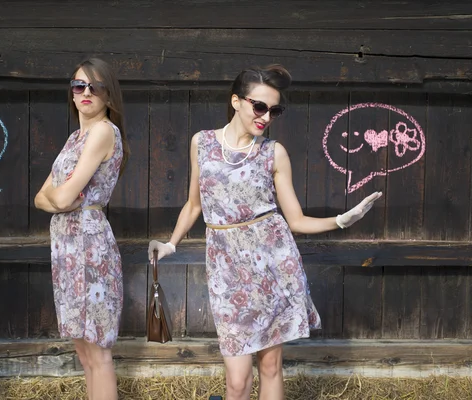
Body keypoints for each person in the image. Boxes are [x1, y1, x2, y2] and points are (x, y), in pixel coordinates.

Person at [148, 65, 382, 400]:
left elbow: (297, 220)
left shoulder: (274, 153)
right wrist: (171, 243)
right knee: (237, 381)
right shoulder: (202, 143)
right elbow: (194, 205)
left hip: (274, 268)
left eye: (274, 110)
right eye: (260, 106)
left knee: (271, 367)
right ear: (236, 101)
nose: (266, 116)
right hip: (227, 272)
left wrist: (342, 220)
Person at [34, 57, 129, 400]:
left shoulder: (103, 131)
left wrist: (59, 199)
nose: (86, 92)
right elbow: (42, 199)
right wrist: (57, 199)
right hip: (66, 245)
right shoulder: (76, 137)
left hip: (89, 244)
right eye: (79, 85)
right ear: (71, 93)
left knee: (98, 351)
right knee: (84, 351)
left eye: (95, 86)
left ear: (108, 95)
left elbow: (62, 198)